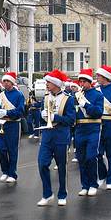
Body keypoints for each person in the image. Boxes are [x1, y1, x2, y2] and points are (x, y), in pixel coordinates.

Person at [36, 70, 75, 206]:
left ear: (56, 83)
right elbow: (41, 119)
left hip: (61, 136)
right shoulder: (46, 98)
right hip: (47, 136)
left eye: (48, 82)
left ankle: (62, 194)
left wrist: (55, 117)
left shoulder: (68, 99)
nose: (46, 84)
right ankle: (47, 194)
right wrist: (41, 116)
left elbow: (71, 120)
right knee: (42, 164)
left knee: (61, 167)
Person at [73, 69, 104, 196]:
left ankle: (93, 184)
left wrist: (86, 105)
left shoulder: (97, 95)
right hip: (80, 129)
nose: (81, 84)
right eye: (80, 81)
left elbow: (98, 112)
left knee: (91, 157)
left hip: (93, 128)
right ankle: (84, 185)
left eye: (84, 81)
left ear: (90, 82)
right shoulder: (76, 95)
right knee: (81, 158)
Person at [0, 71, 25, 184]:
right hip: (1, 123)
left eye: (8, 81)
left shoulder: (19, 95)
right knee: (0, 148)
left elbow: (20, 111)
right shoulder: (0, 95)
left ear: (12, 82)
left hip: (13, 124)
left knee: (12, 149)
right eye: (4, 81)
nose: (6, 83)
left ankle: (12, 173)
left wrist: (7, 112)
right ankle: (5, 171)